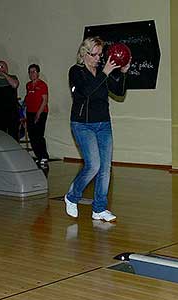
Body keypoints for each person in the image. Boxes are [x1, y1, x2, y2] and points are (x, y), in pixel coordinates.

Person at [64, 37, 130, 222]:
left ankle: (99, 208)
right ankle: (72, 196)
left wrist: (123, 73)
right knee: (93, 165)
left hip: (103, 124)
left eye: (101, 54)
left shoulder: (102, 71)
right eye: (95, 54)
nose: (99, 58)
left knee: (105, 168)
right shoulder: (75, 72)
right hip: (82, 125)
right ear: (84, 54)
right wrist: (105, 73)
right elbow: (85, 92)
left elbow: (119, 92)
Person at [24, 64, 50, 166]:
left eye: (34, 71)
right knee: (32, 135)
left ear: (38, 73)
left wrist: (38, 114)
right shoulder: (28, 85)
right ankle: (38, 156)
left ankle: (44, 156)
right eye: (30, 72)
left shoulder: (42, 85)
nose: (32, 74)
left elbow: (45, 100)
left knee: (39, 135)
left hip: (41, 112)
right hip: (30, 112)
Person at [0, 60, 20, 140]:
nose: (1, 69)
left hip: (12, 112)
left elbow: (15, 85)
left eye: (2, 66)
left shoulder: (13, 78)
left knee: (13, 135)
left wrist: (5, 75)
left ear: (7, 68)